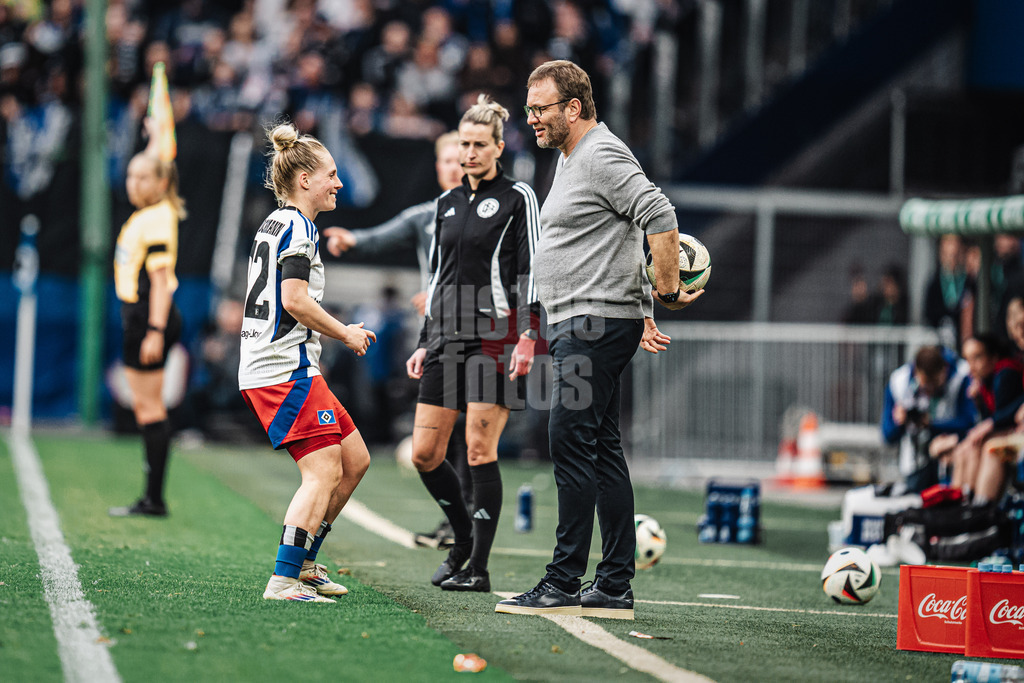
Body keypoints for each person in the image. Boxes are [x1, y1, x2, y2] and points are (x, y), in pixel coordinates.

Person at [495, 60, 702, 620]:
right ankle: (611, 585)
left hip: (591, 325)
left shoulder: (602, 153)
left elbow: (657, 213)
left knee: (570, 441)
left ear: (574, 108)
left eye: (540, 109)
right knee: (602, 449)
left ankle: (563, 581)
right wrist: (640, 305)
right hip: (586, 321)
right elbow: (620, 234)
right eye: (529, 108)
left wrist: (661, 291)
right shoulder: (570, 159)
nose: (531, 118)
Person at [405, 94, 541, 593]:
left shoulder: (518, 197)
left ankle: (478, 569)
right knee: (425, 453)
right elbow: (438, 275)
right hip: (445, 338)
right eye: (464, 144)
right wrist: (424, 341)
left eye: (480, 144)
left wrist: (531, 333)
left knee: (479, 450)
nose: (470, 153)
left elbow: (532, 270)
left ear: (499, 147)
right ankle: (461, 539)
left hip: (497, 337)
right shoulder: (445, 203)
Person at [238, 122, 376, 603]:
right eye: (331, 175)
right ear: (304, 180)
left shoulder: (277, 222)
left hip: (286, 364)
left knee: (355, 460)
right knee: (321, 473)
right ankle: (284, 579)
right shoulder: (298, 225)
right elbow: (294, 299)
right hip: (282, 368)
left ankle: (308, 563)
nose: (338, 183)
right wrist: (346, 332)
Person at [323, 131, 470, 548]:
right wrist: (353, 240)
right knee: (440, 441)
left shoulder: (493, 213)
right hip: (440, 335)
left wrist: (447, 294)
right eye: (445, 160)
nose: (453, 167)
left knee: (471, 439)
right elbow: (388, 233)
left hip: (480, 336)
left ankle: (470, 536)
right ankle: (457, 525)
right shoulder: (428, 215)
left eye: (460, 159)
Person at [108, 118, 187, 519]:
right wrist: (156, 131)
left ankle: (154, 499)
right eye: (130, 175)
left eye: (143, 177)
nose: (133, 182)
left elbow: (161, 283)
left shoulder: (156, 217)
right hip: (141, 317)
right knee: (146, 408)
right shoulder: (151, 212)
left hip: (147, 317)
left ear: (160, 183)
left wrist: (154, 331)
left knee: (150, 409)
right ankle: (152, 496)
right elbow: (160, 162)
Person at [938, 333, 1023, 503]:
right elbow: (990, 418)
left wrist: (988, 423)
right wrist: (979, 402)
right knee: (964, 449)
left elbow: (1004, 417)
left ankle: (978, 509)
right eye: (968, 359)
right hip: (1007, 430)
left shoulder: (1005, 373)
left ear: (993, 357)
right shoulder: (984, 382)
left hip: (1014, 433)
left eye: (977, 357)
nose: (972, 366)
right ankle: (959, 505)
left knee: (986, 446)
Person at [881, 345, 975, 494]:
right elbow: (888, 435)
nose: (930, 391)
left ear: (944, 370)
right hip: (916, 463)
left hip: (953, 460)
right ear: (916, 373)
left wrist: (932, 424)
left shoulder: (963, 375)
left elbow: (970, 423)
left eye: (935, 385)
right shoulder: (899, 382)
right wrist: (899, 422)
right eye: (926, 386)